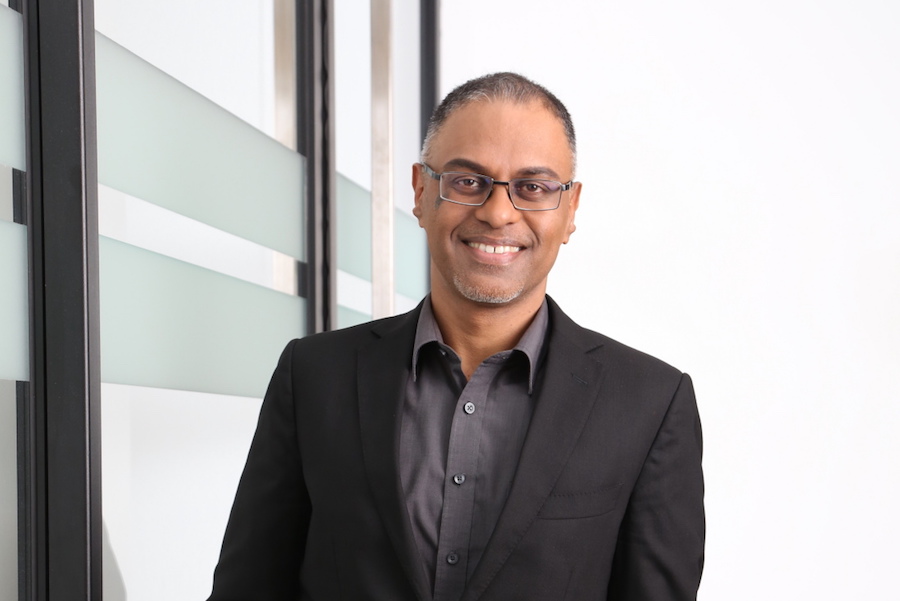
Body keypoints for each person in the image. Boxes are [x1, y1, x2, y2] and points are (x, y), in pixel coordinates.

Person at [207, 72, 704, 601]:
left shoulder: (649, 403)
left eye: (533, 187)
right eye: (468, 181)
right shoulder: (314, 375)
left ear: (570, 209)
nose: (498, 212)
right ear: (421, 191)